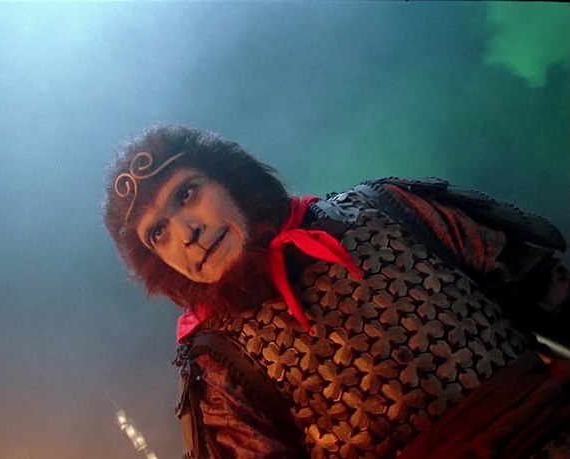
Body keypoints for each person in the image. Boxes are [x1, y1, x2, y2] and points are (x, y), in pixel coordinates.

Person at [102, 125, 570, 459]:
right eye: (158, 232)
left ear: (227, 177)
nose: (186, 233)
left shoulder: (385, 207)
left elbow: (547, 288)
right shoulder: (217, 362)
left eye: (186, 194)